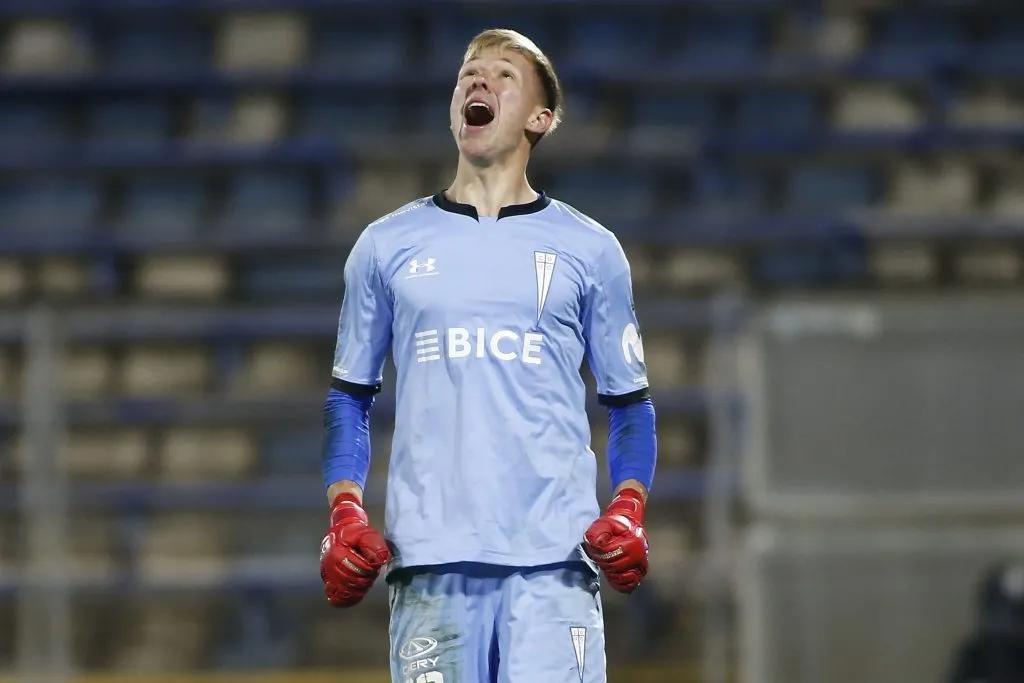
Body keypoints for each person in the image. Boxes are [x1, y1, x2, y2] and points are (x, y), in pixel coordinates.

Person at [318, 28, 657, 683]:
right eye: (468, 73)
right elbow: (348, 397)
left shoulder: (591, 251)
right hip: (431, 568)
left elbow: (631, 405)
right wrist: (345, 512)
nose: (478, 82)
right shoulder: (385, 246)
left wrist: (629, 506)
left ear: (541, 117)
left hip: (554, 564)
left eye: (503, 75)